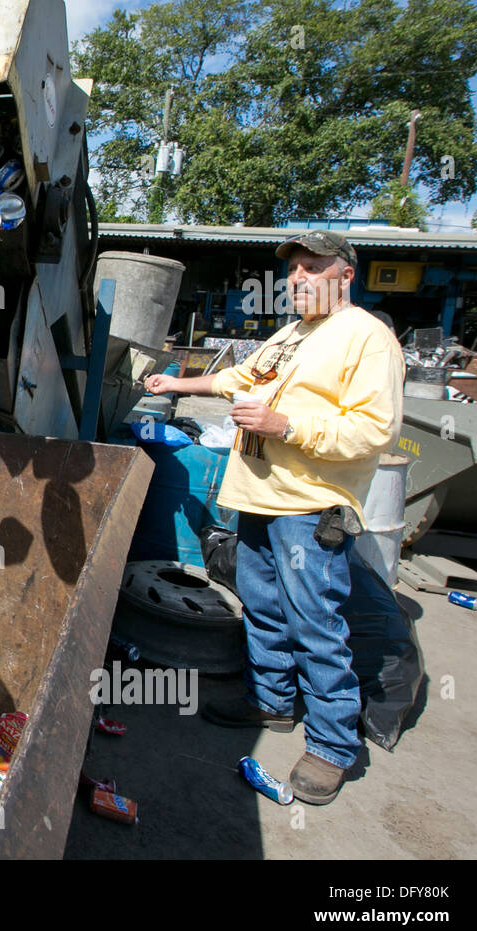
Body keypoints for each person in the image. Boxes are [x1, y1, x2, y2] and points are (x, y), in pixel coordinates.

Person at [146, 230, 405, 804]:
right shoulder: (291, 334)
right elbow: (238, 379)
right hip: (259, 497)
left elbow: (374, 430)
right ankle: (271, 700)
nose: (297, 279)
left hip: (308, 505)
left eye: (313, 268)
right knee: (262, 607)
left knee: (315, 622)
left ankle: (333, 746)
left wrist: (284, 425)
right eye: (293, 271)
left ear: (345, 275)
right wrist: (176, 381)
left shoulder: (367, 338)